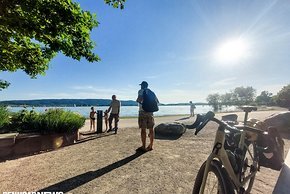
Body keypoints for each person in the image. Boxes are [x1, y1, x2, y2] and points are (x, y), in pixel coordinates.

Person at [136, 81, 159, 152]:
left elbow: (139, 99)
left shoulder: (141, 91)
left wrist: (138, 101)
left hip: (142, 112)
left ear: (142, 85)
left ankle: (143, 146)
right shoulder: (152, 92)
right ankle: (151, 146)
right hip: (150, 113)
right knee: (151, 129)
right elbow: (157, 102)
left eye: (141, 85)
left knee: (143, 129)